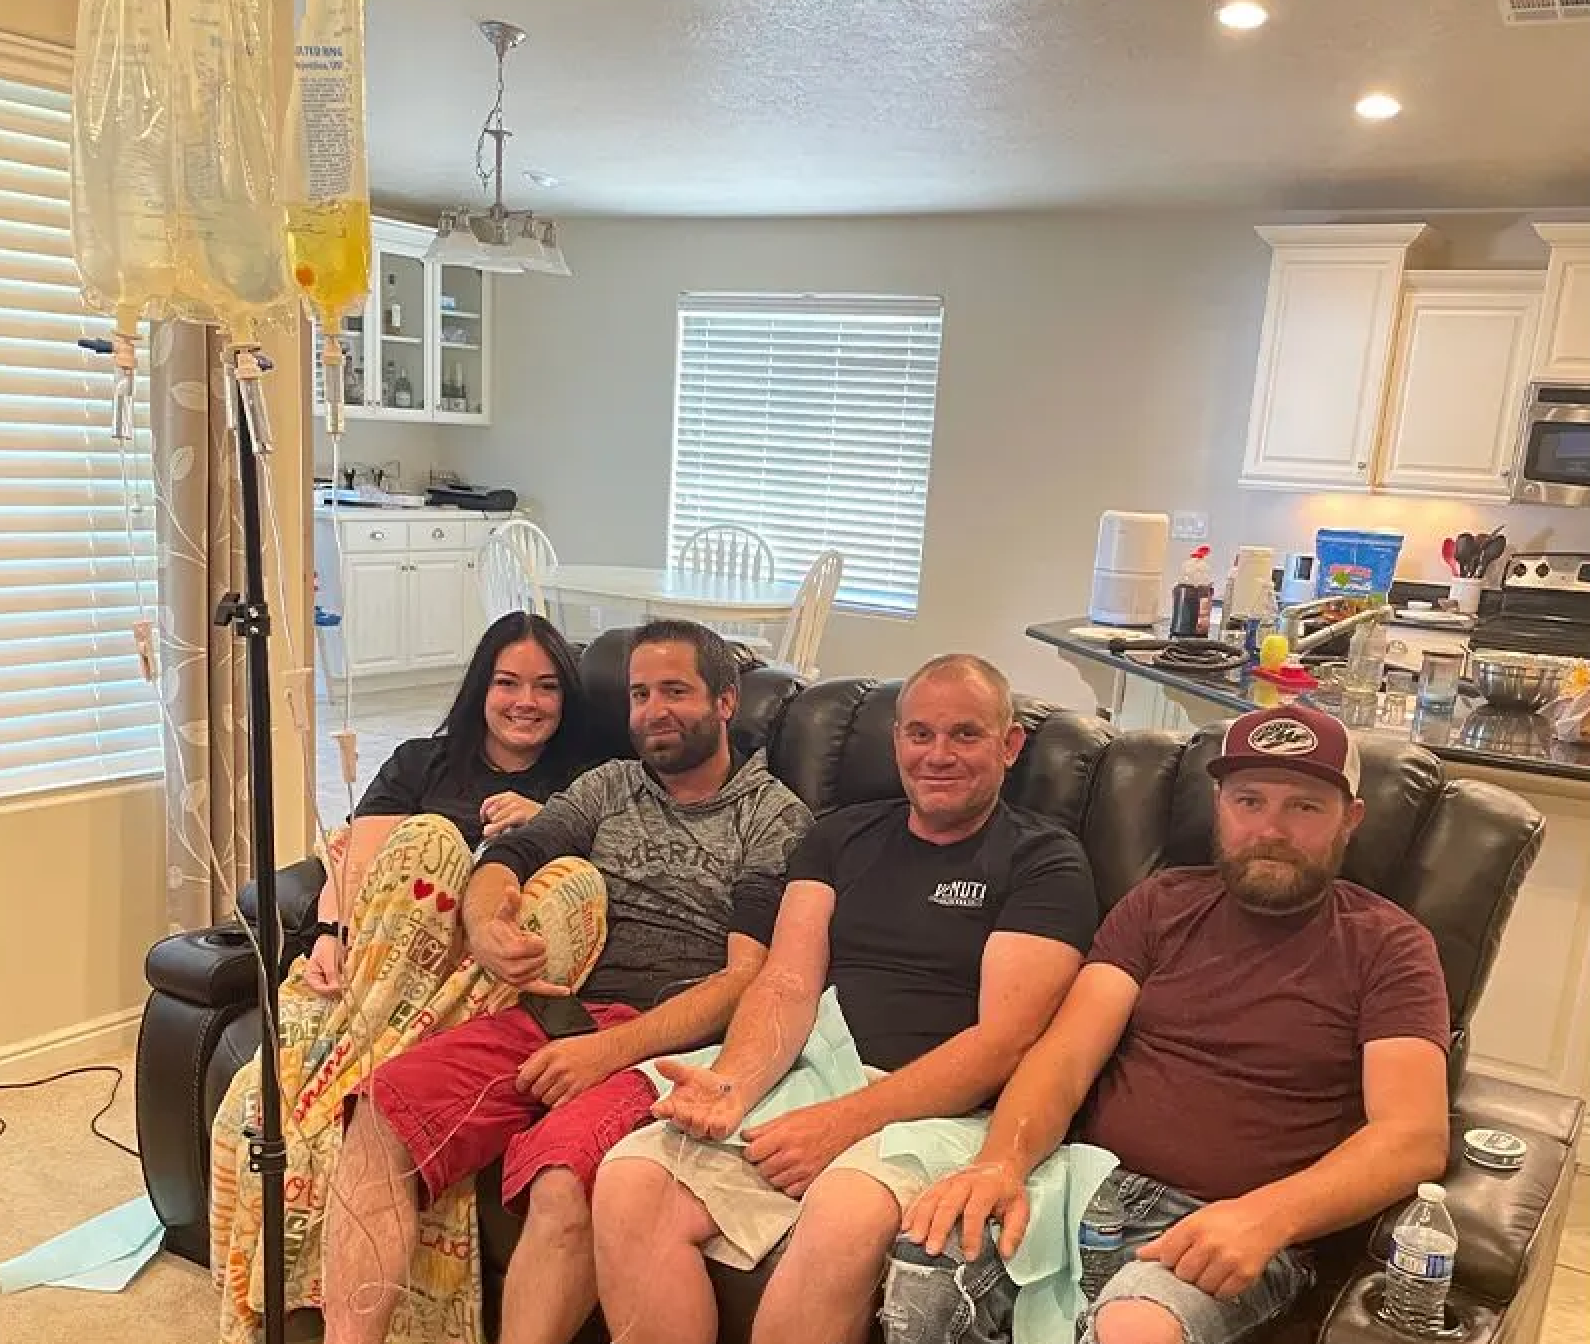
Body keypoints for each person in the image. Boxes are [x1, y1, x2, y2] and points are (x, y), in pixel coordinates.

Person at [321, 619, 812, 1344]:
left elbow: (747, 980)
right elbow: (513, 853)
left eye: (676, 691)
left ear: (727, 703)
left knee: (564, 1180)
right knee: (384, 1108)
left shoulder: (774, 818)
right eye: (641, 694)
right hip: (558, 1013)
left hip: (666, 1044)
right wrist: (487, 925)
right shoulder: (609, 785)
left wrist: (606, 1055)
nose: (654, 711)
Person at [900, 704, 1452, 1344]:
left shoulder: (1391, 945)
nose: (1270, 828)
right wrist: (1001, 1162)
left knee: (1135, 1326)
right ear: (1218, 804)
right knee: (930, 1259)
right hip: (1086, 1182)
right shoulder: (1161, 902)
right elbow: (1067, 1055)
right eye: (1248, 800)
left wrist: (1266, 1217)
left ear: (1350, 820)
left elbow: (1412, 1134)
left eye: (1304, 807)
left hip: (1236, 1223)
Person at [593, 654, 1099, 1344]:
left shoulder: (1046, 860)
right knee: (630, 1181)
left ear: (1010, 746)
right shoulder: (839, 835)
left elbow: (1002, 1041)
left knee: (844, 1209)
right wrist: (735, 1083)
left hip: (947, 1112)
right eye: (920, 734)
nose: (938, 755)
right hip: (815, 1080)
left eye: (966, 735)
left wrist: (843, 1123)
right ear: (896, 743)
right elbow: (787, 981)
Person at [211, 611, 596, 1344]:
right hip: (372, 979)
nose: (527, 702)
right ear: (481, 687)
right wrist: (327, 932)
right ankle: (281, 1309)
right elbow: (357, 858)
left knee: (312, 1112)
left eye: (547, 687)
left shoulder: (581, 785)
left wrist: (546, 820)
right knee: (251, 1104)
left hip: (473, 999)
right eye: (508, 682)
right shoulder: (424, 763)